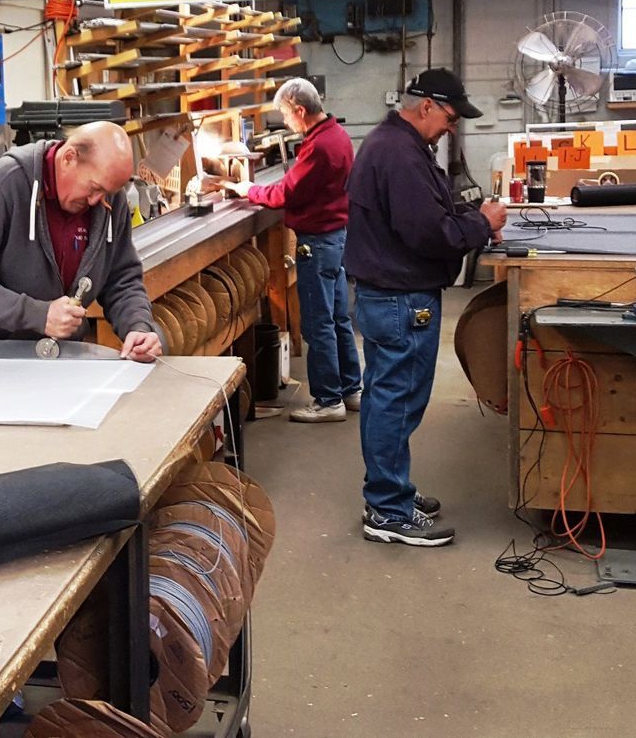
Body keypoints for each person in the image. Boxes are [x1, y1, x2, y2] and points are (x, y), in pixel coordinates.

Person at [345, 69, 507, 547]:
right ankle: (387, 511)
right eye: (450, 118)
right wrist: (480, 223)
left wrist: (470, 218)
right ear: (427, 106)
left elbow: (430, 214)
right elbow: (429, 234)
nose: (451, 128)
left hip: (394, 293)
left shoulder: (400, 147)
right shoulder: (398, 154)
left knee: (394, 398)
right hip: (398, 296)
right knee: (395, 401)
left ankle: (390, 491)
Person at [0, 120, 162, 361]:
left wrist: (137, 326)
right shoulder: (2, 186)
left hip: (56, 360)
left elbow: (121, 277)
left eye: (108, 192)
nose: (97, 201)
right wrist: (37, 314)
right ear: (69, 157)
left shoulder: (108, 200)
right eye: (94, 188)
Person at [207, 78, 357, 423]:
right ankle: (350, 390)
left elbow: (284, 194)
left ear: (300, 111)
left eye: (286, 116)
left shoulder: (319, 147)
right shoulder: (337, 136)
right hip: (334, 237)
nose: (286, 122)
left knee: (318, 323)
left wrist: (248, 189)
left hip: (317, 242)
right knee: (337, 319)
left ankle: (327, 400)